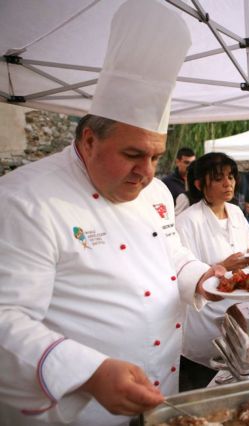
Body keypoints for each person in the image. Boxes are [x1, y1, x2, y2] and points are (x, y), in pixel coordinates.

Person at [0, 2, 226, 424]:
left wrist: (205, 277)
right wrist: (88, 372)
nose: (146, 172)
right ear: (88, 141)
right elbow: (5, 319)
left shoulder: (157, 192)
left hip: (160, 390)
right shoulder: (24, 201)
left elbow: (169, 255)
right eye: (132, 154)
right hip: (80, 408)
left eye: (156, 156)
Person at [175, 152, 249, 391]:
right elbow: (182, 273)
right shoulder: (187, 221)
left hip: (239, 311)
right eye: (218, 178)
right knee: (204, 388)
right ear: (200, 184)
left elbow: (243, 249)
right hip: (204, 317)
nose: (228, 183)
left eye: (230, 177)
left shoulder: (236, 212)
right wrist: (224, 266)